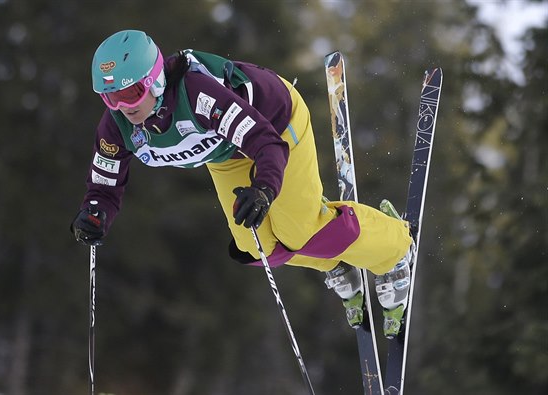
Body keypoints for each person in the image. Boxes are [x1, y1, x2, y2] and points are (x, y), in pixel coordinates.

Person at [70, 30, 414, 337]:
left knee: (299, 230)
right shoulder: (116, 126)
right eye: (109, 96)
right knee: (257, 246)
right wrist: (94, 214)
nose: (121, 106)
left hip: (277, 126)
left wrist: (265, 189)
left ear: (156, 81)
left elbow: (266, 144)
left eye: (130, 93)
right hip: (227, 156)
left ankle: (395, 247)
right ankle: (336, 261)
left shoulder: (200, 97)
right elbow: (105, 181)